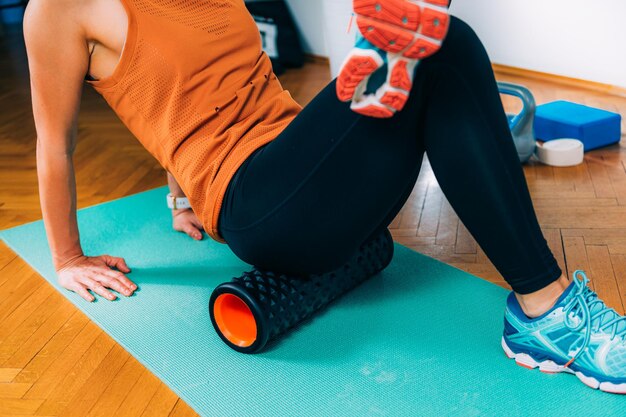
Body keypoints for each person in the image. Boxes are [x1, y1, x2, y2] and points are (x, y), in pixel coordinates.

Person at [23, 0, 625, 393]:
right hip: (260, 204)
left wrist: (178, 190)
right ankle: (547, 313)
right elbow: (56, 144)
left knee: (434, 44)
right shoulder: (60, 10)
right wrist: (67, 258)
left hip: (313, 169)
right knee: (433, 40)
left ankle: (547, 312)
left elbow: (197, 85)